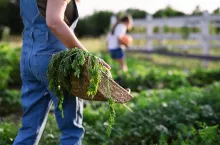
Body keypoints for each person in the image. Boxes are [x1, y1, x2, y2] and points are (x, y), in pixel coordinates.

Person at [13, 0, 110, 145]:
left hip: (28, 58)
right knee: (71, 129)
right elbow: (54, 22)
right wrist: (86, 56)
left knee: (29, 127)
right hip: (54, 60)